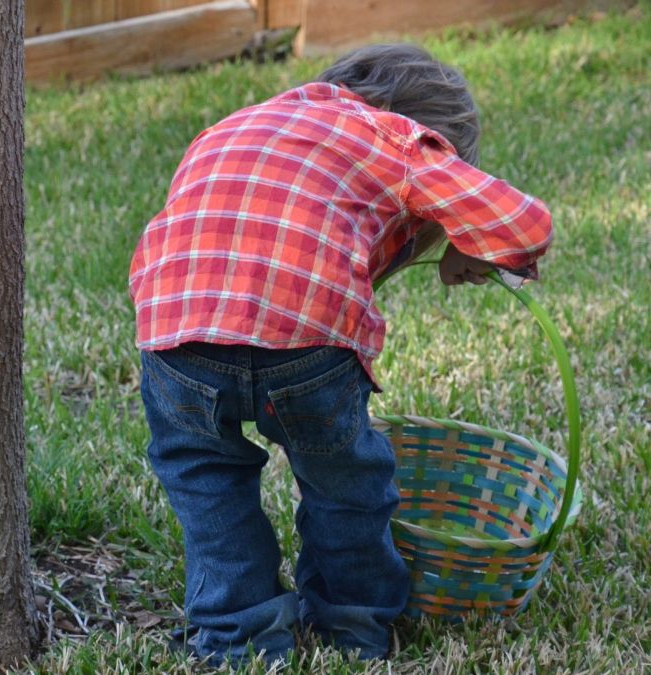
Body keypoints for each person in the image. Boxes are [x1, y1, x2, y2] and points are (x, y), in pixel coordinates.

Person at [128, 43, 552, 667]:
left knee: (205, 483)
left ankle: (237, 637)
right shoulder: (397, 137)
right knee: (346, 484)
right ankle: (350, 628)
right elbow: (526, 223)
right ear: (434, 133)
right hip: (306, 339)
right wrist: (469, 239)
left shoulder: (239, 121)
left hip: (176, 326)